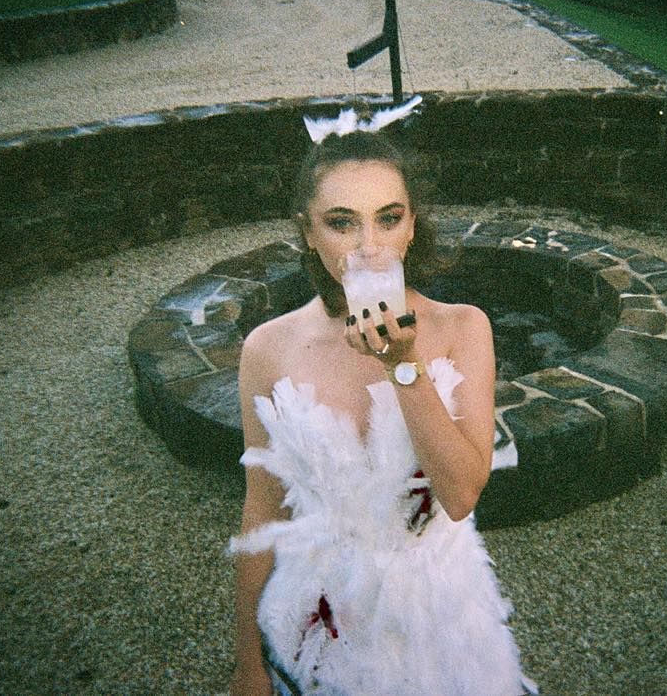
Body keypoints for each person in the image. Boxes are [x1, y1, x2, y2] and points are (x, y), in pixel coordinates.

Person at [228, 104, 537, 695]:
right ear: (308, 231)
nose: (370, 247)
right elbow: (261, 511)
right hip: (320, 614)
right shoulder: (268, 348)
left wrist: (403, 367)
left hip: (437, 617)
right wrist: (247, 663)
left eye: (388, 218)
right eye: (342, 223)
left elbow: (460, 494)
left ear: (412, 225)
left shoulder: (464, 328)